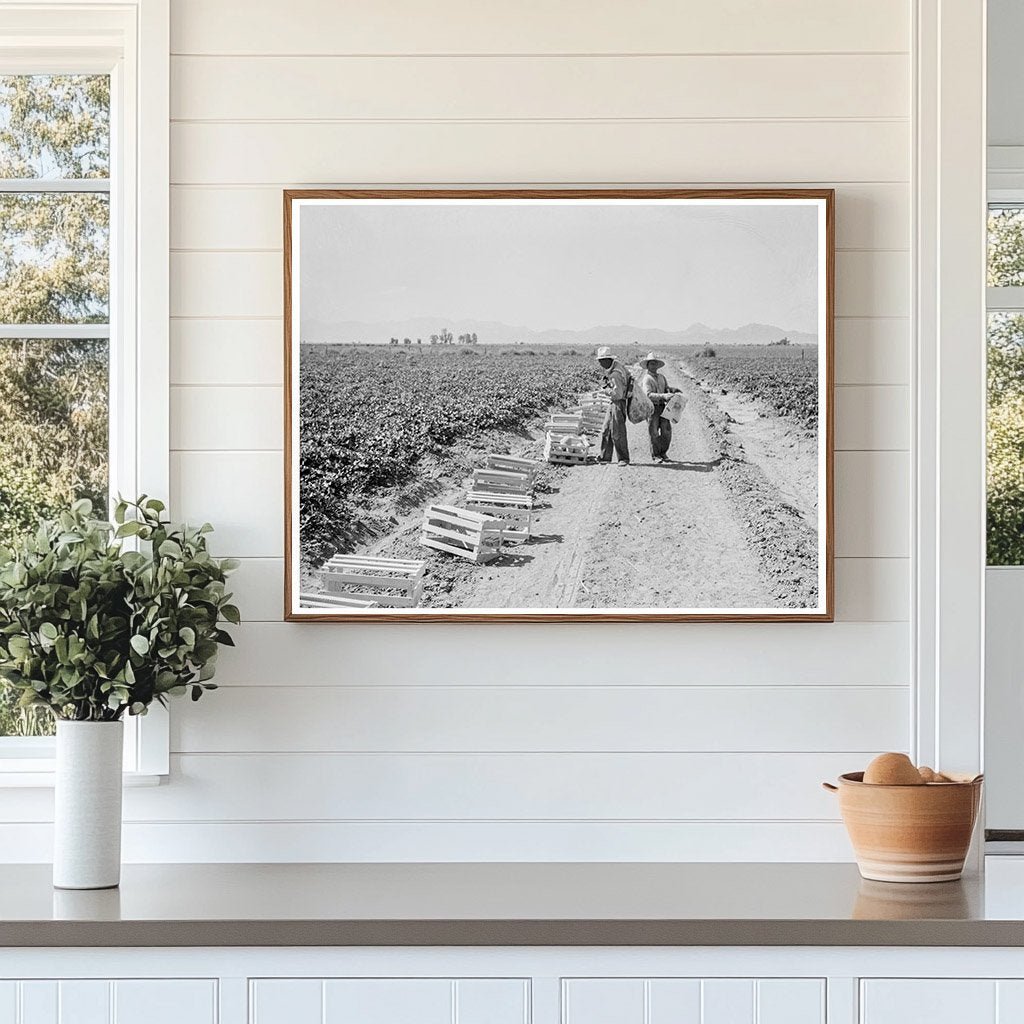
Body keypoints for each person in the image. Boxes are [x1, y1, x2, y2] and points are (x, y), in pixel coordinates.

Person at [638, 352, 681, 463]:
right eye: (651, 364)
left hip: (663, 407)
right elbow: (648, 395)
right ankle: (656, 455)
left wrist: (672, 390)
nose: (654, 366)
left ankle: (663, 452)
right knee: (654, 432)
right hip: (652, 408)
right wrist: (663, 396)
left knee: (666, 430)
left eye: (655, 364)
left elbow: (666, 388)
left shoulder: (662, 377)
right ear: (647, 365)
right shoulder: (646, 379)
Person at [595, 346, 630, 466]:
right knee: (606, 429)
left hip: (618, 402)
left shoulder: (615, 373)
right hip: (614, 402)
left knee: (618, 431)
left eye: (601, 361)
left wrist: (605, 389)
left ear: (607, 360)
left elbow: (617, 394)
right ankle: (605, 457)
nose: (600, 363)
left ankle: (623, 458)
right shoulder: (617, 366)